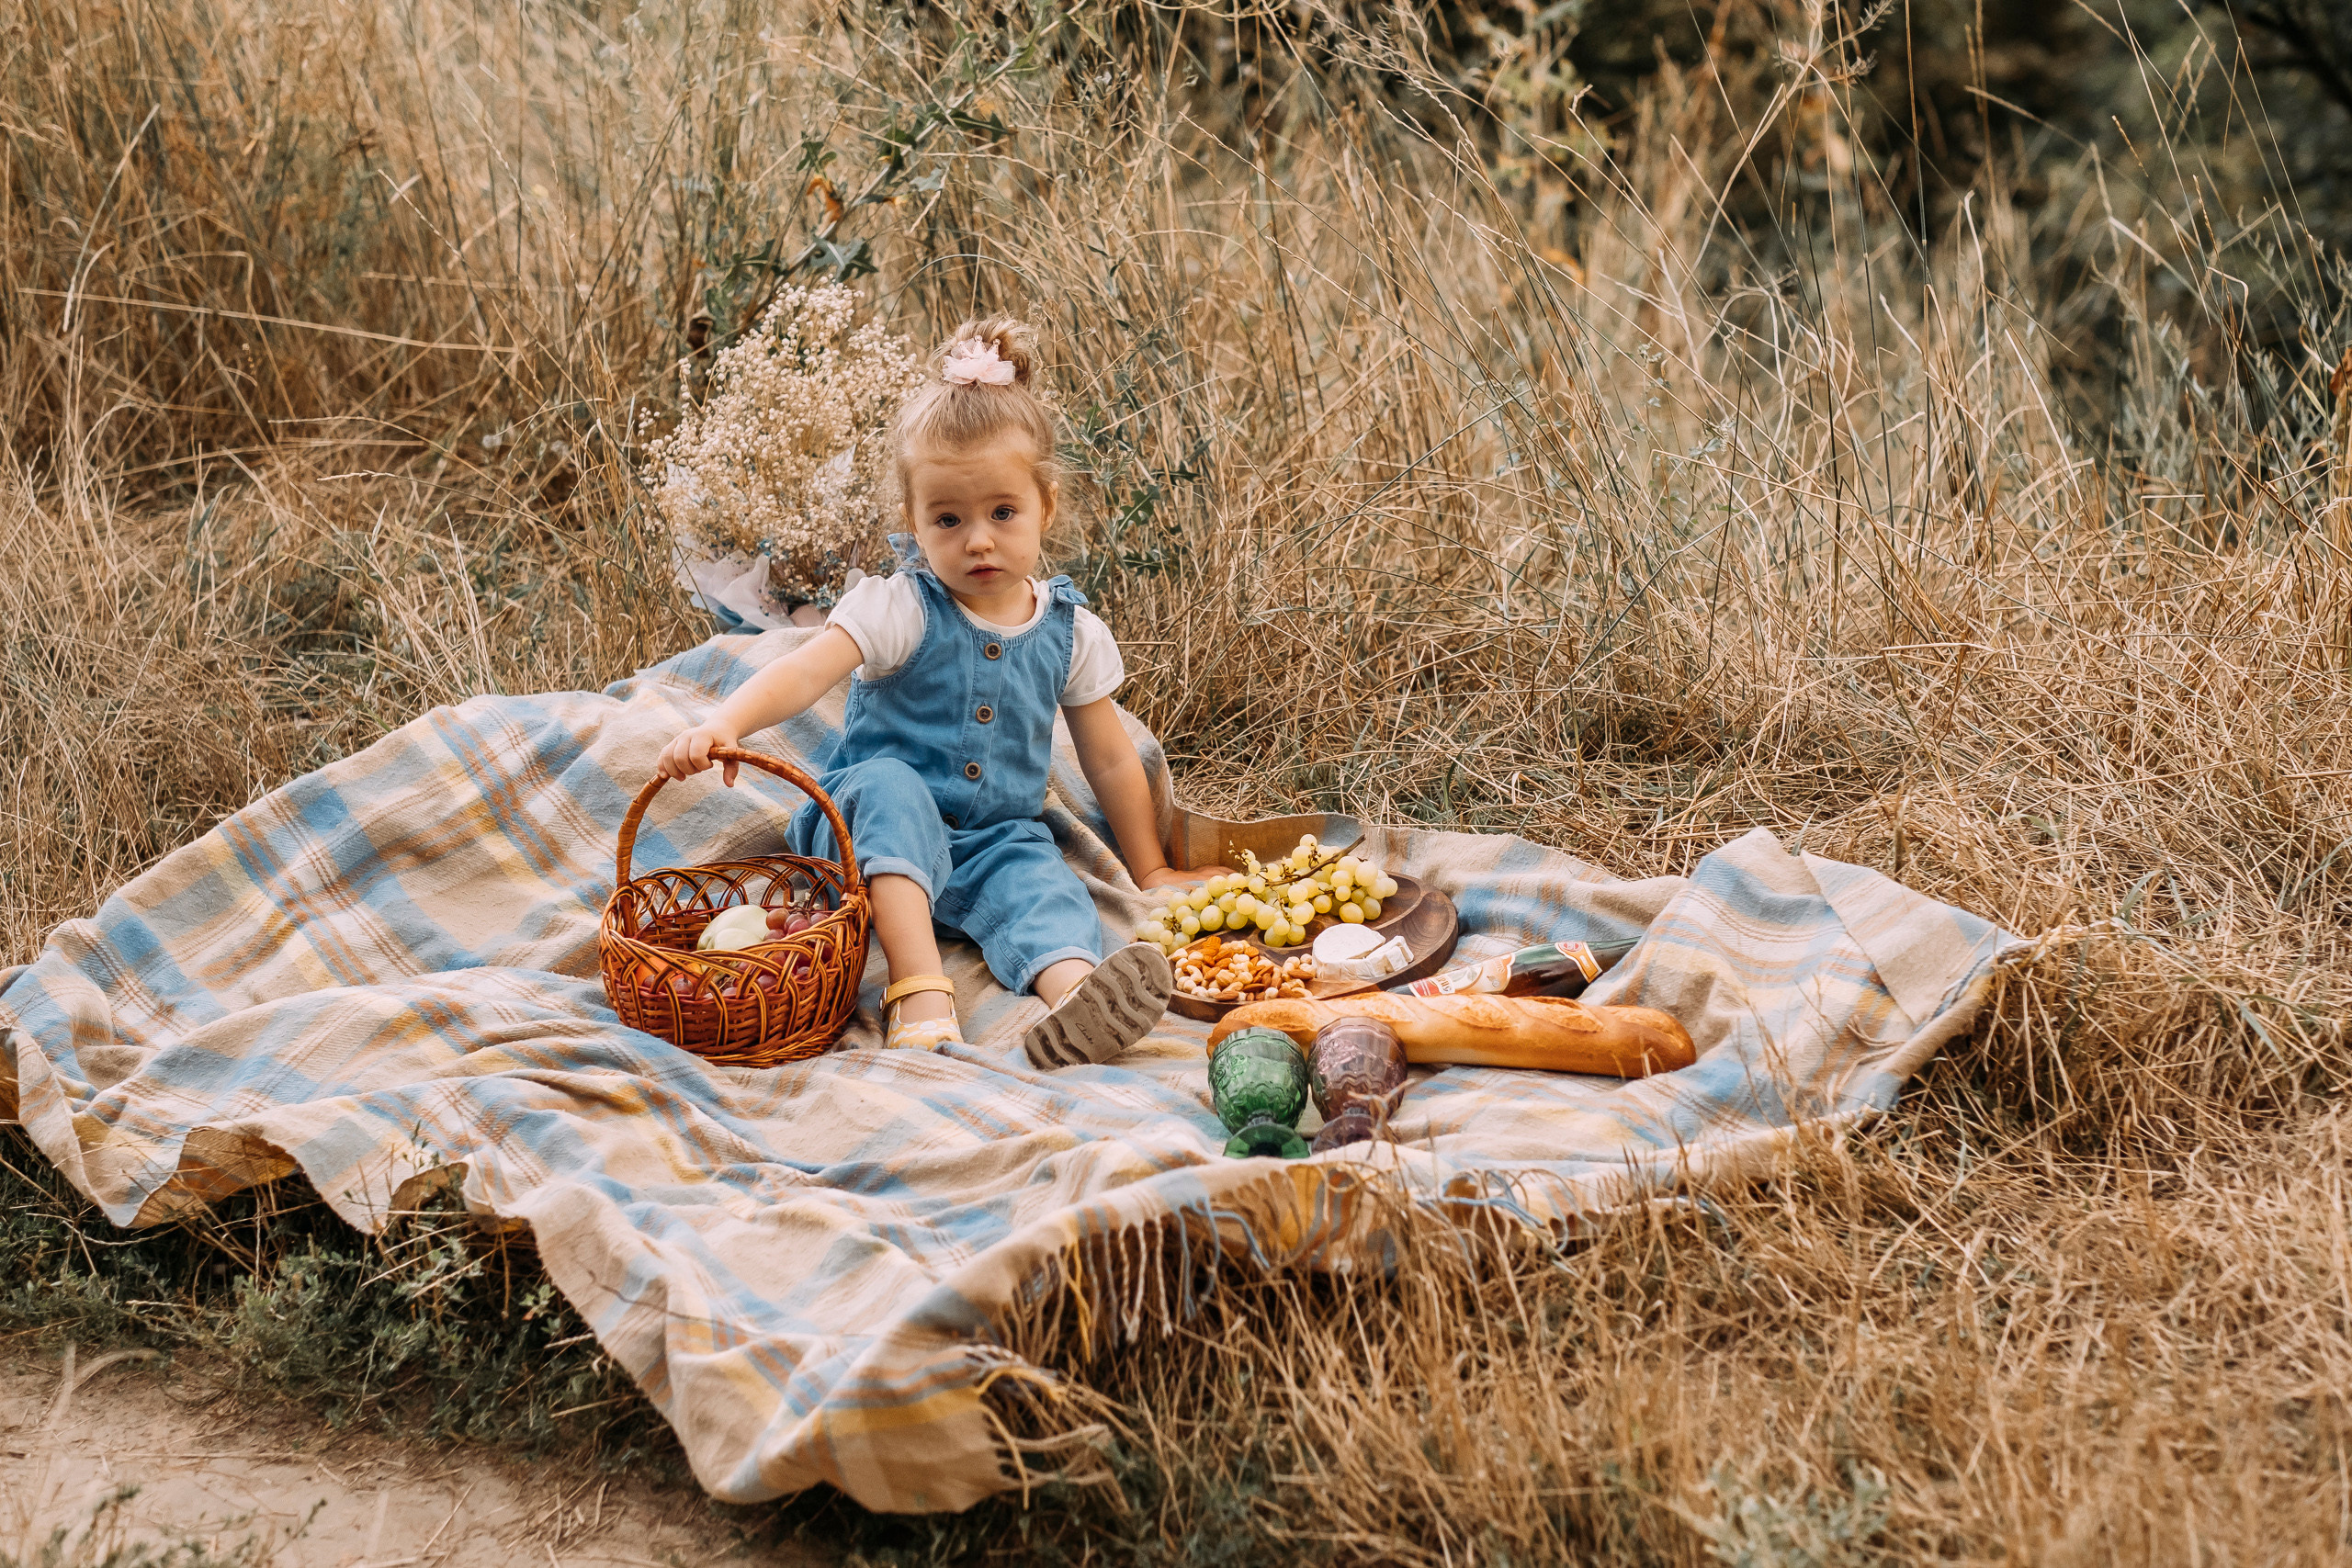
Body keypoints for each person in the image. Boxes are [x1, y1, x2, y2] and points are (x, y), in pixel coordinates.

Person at [656, 316, 1212, 1066]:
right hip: (866, 830)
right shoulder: (901, 606)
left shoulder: (1071, 630)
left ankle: (1079, 999)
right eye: (948, 519)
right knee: (891, 786)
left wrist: (1149, 870)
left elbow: (1110, 758)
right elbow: (806, 668)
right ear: (914, 524)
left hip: (992, 840)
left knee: (1045, 882)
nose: (977, 538)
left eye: (1002, 513)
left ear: (1045, 506)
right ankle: (918, 987)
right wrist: (727, 720)